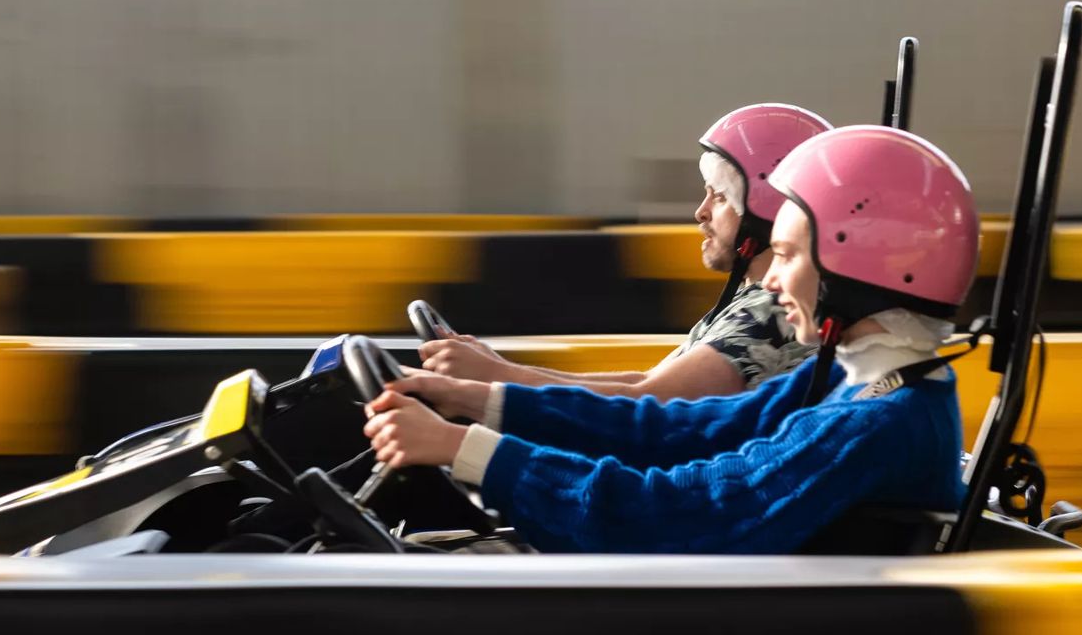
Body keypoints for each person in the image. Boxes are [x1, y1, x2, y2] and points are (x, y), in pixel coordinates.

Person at [363, 125, 978, 554]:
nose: (772, 277)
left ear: (858, 266)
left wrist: (468, 449)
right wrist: (479, 404)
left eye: (788, 256)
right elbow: (674, 429)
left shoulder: (877, 422)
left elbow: (681, 514)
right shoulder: (853, 382)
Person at [418, 104, 830, 400]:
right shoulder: (756, 298)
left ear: (763, 208)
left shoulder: (776, 311)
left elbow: (652, 402)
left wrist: (496, 378)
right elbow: (645, 381)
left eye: (718, 197)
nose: (700, 212)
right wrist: (499, 371)